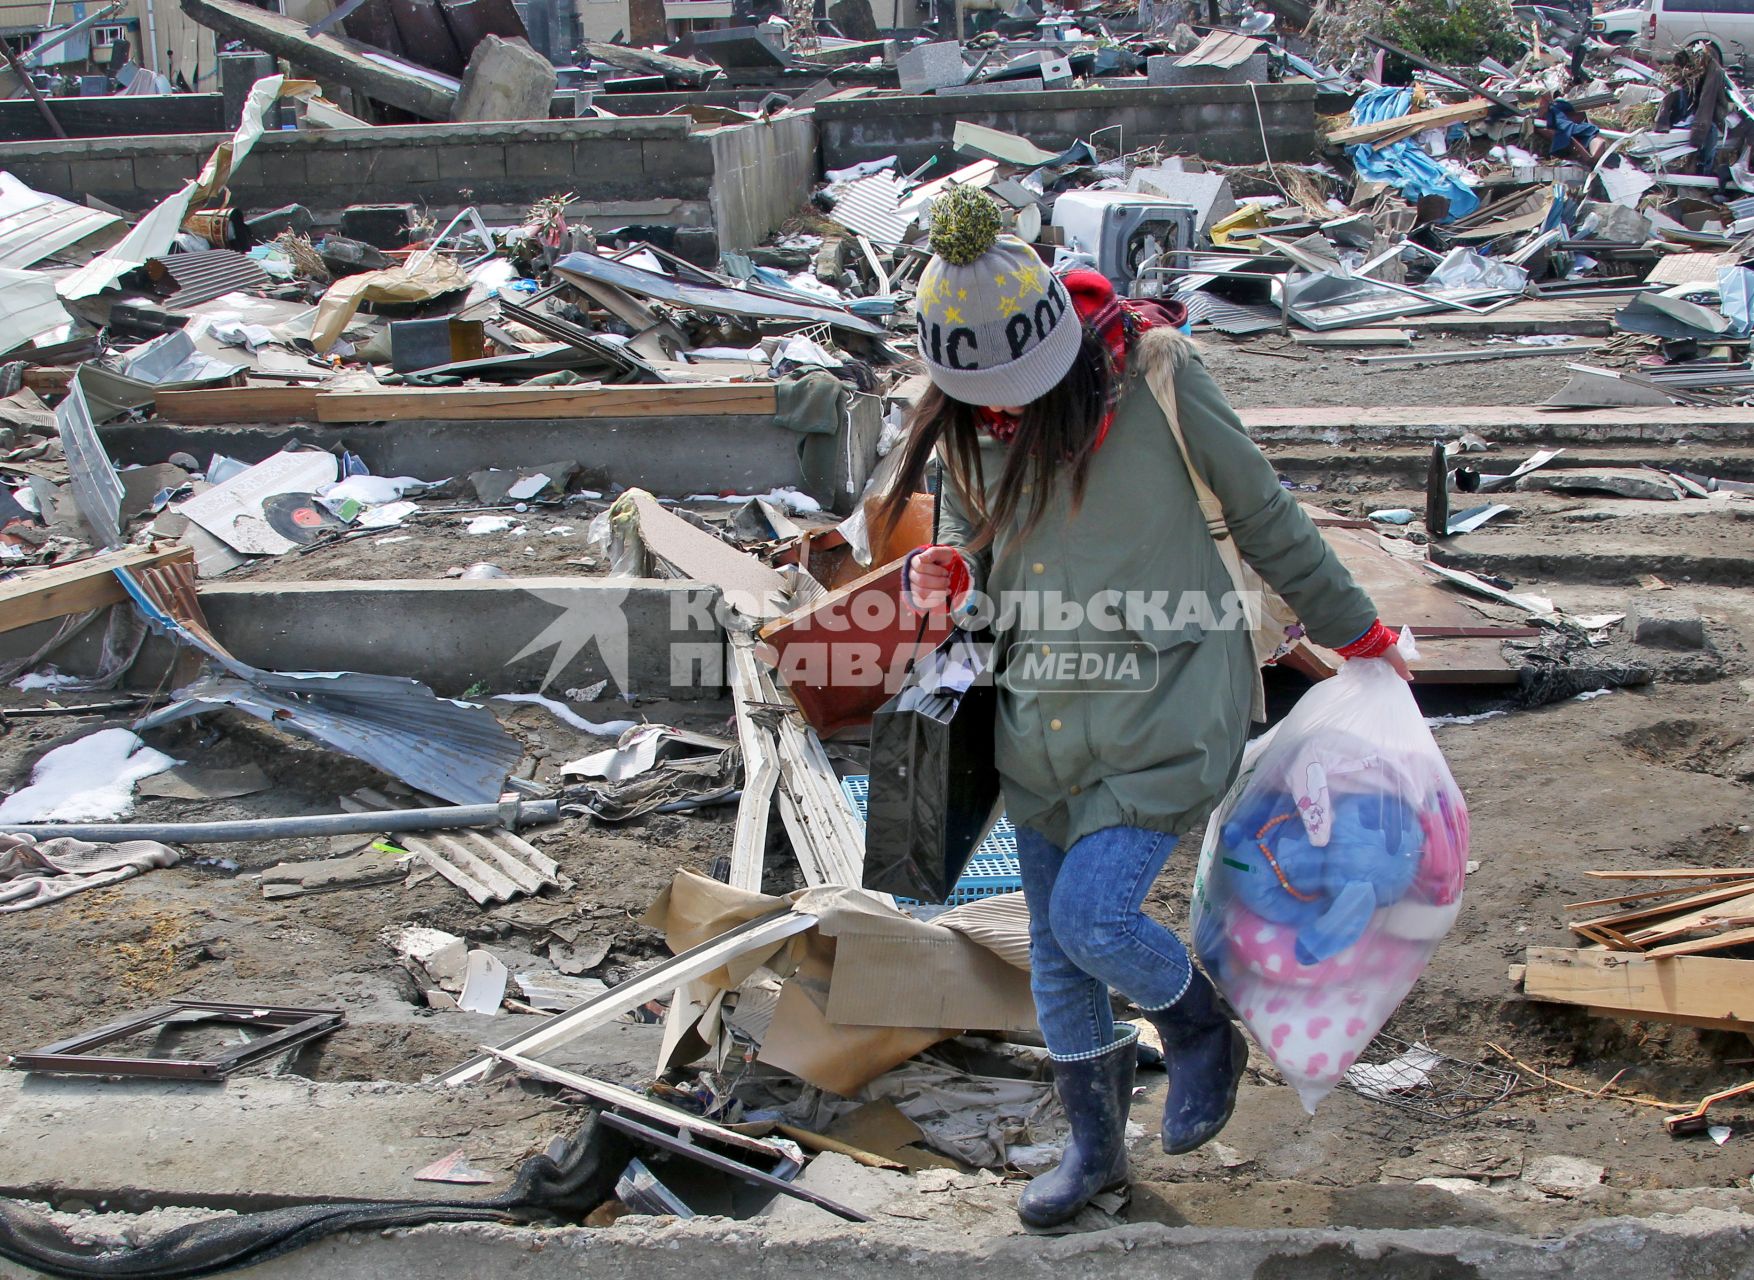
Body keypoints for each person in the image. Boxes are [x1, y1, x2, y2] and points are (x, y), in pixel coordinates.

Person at [874, 188, 1410, 1231]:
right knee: (1051, 941)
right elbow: (981, 554)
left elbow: (1260, 510)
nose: (1010, 415)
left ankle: (1199, 1023)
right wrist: (947, 581)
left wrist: (1357, 631)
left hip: (1167, 697)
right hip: (1042, 713)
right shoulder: (961, 422)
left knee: (1092, 914)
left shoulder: (1156, 374)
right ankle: (1094, 1150)